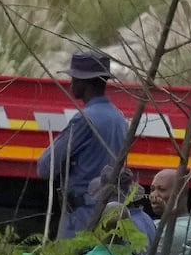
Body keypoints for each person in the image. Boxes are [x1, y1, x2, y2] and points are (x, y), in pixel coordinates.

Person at [36, 51, 128, 239]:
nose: (71, 83)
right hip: (107, 211)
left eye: (74, 78)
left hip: (81, 217)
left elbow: (45, 166)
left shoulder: (84, 119)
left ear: (84, 83)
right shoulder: (118, 117)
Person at [148, 168, 191, 255]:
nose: (154, 195)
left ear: (181, 192)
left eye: (161, 190)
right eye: (152, 189)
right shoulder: (159, 223)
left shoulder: (181, 231)